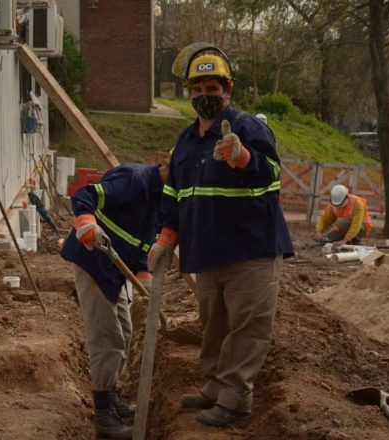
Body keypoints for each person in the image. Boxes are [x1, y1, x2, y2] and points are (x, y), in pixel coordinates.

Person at [148, 43, 294, 428]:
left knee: (247, 327)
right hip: (208, 252)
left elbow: (274, 178)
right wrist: (166, 237)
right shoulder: (185, 142)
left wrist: (245, 159)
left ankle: (236, 399)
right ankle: (214, 386)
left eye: (212, 89)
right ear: (188, 92)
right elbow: (173, 194)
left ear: (228, 90)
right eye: (197, 89)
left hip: (250, 250)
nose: (204, 96)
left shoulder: (247, 128)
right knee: (214, 325)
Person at [60, 157, 169, 439]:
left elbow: (143, 243)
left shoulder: (163, 199)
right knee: (109, 340)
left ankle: (111, 393)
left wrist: (145, 280)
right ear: (171, 167)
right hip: (93, 261)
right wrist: (86, 223)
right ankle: (103, 416)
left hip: (115, 270)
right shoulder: (134, 180)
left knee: (126, 332)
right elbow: (86, 195)